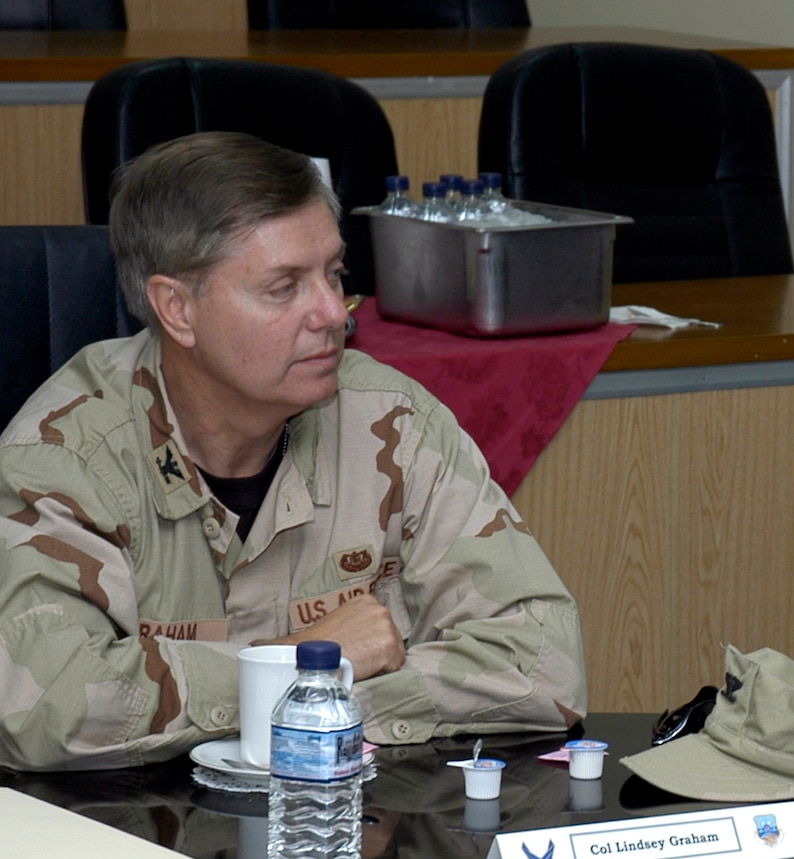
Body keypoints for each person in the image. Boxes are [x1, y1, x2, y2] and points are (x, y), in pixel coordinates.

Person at [0, 132, 587, 771]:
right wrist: (302, 660)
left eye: (334, 275)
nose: (334, 313)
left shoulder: (391, 420)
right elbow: (45, 706)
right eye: (284, 288)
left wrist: (307, 690)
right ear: (177, 309)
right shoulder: (67, 454)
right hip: (136, 845)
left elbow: (542, 663)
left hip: (343, 832)